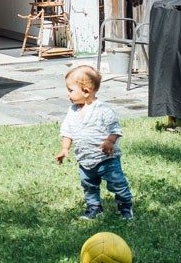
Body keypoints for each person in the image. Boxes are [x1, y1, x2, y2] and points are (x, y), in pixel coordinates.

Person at [55, 64, 134, 221]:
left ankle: (125, 207)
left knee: (116, 183)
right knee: (89, 185)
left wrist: (109, 142)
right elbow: (67, 131)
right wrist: (65, 149)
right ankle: (94, 208)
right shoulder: (72, 111)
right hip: (85, 159)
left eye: (70, 90)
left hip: (106, 159)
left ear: (85, 91)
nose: (68, 94)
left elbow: (115, 130)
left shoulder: (103, 110)